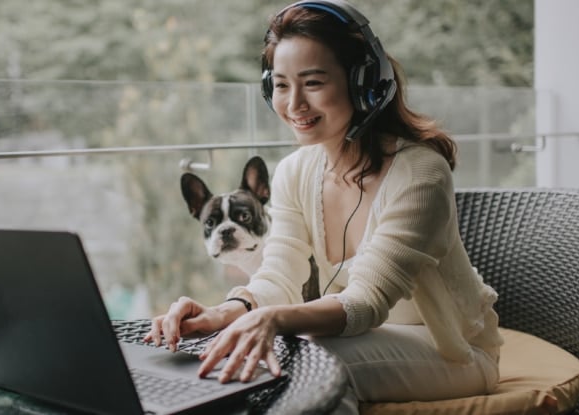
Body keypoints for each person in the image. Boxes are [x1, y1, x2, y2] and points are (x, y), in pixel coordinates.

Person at [144, 0, 503, 410]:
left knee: (311, 365)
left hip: (452, 349)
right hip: (370, 339)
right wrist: (223, 313)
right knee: (266, 355)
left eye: (313, 83)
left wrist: (274, 319)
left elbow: (366, 302)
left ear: (364, 82)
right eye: (280, 85)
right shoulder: (294, 171)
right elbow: (280, 275)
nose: (294, 104)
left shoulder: (421, 174)